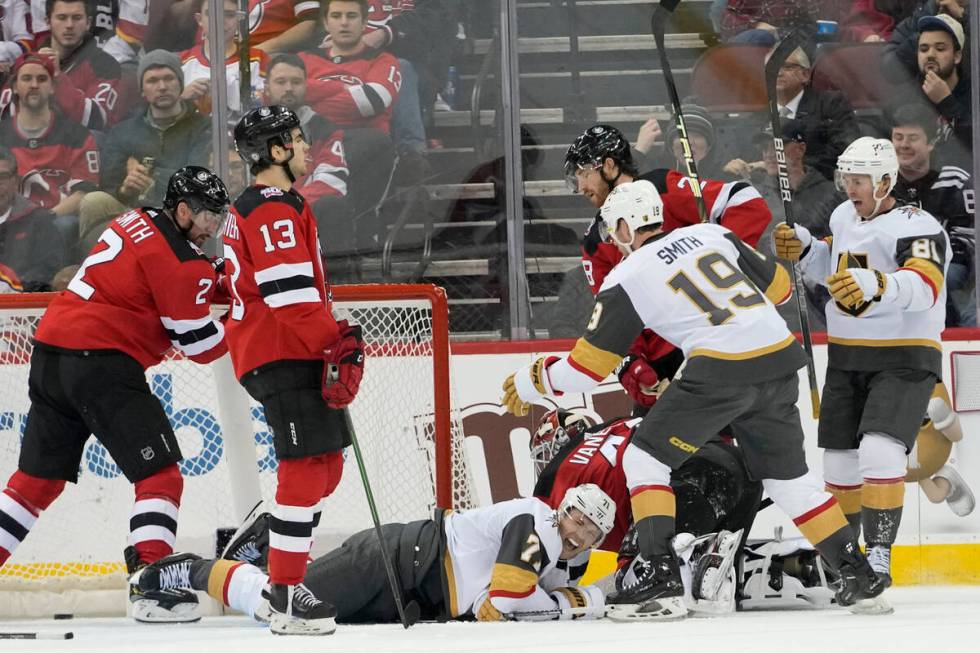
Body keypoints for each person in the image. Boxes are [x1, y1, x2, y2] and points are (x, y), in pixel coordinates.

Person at [502, 180, 888, 621]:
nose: (612, 243)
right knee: (788, 479)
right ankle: (857, 573)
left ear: (626, 227)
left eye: (613, 234)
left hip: (720, 368)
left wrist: (535, 379)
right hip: (778, 360)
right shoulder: (711, 233)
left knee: (644, 459)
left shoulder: (625, 275)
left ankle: (659, 576)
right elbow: (781, 288)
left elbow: (587, 366)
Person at [0, 166, 230, 623]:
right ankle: (151, 585)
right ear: (182, 210)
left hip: (51, 351)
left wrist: (215, 276)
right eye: (206, 216)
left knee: (34, 484)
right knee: (162, 477)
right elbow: (200, 345)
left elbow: (156, 276)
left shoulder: (136, 219)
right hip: (100, 361)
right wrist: (244, 323)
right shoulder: (184, 263)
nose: (211, 227)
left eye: (218, 218)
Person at [774, 136, 949, 588]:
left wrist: (879, 284)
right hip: (848, 356)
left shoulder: (918, 224)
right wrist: (808, 249)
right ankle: (847, 560)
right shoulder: (842, 217)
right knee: (838, 463)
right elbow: (837, 266)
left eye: (860, 180)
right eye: (846, 178)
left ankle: (880, 555)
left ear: (886, 180)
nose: (851, 188)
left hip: (905, 356)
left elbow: (926, 283)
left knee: (880, 450)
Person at [222, 105, 365, 635]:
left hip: (290, 346)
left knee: (327, 469)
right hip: (282, 349)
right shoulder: (273, 207)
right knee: (304, 472)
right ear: (277, 150)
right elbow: (289, 296)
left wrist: (331, 342)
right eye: (300, 141)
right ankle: (282, 592)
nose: (308, 149)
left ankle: (270, 549)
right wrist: (336, 344)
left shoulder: (276, 205)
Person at [132, 484, 615, 625]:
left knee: (301, 613)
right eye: (578, 519)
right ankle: (186, 569)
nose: (578, 534)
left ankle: (257, 556)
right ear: (563, 510)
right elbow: (503, 603)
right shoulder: (538, 520)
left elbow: (515, 601)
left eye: (591, 532)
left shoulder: (559, 558)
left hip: (407, 593)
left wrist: (566, 601)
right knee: (280, 607)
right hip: (393, 560)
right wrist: (578, 603)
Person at [564, 124, 771, 412]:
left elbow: (745, 201)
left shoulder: (662, 187)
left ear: (609, 166)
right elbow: (616, 315)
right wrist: (631, 365)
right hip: (663, 365)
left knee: (729, 450)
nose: (581, 186)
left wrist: (723, 258)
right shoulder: (594, 241)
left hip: (715, 345)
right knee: (646, 454)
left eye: (584, 173)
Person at [84, 49, 211, 257]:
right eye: (152, 81)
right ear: (142, 91)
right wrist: (125, 189)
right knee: (93, 201)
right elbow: (108, 186)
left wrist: (153, 176)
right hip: (132, 212)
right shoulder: (122, 131)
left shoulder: (204, 128)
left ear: (180, 84)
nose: (162, 87)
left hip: (182, 214)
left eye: (169, 78)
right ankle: (95, 275)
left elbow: (197, 181)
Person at [890, 103, 974, 326]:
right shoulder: (882, 182)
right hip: (892, 267)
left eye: (912, 138)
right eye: (898, 137)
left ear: (931, 143)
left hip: (947, 266)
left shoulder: (956, 180)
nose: (903, 145)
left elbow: (969, 243)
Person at [263, 53, 353, 259]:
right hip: (257, 219)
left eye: (296, 82)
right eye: (280, 81)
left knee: (334, 206)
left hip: (303, 217)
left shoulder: (324, 128)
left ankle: (337, 287)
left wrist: (287, 207)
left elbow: (333, 184)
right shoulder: (248, 130)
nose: (288, 88)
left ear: (306, 86)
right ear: (267, 87)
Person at [0, 53, 99, 222]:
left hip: (57, 221)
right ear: (14, 87)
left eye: (42, 79)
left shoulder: (78, 135)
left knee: (66, 225)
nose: (34, 85)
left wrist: (45, 219)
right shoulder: (2, 134)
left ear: (53, 86)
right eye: (26, 78)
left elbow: (85, 193)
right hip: (7, 222)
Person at [769, 46, 861, 182]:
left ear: (805, 75)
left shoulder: (831, 104)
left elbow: (844, 151)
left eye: (787, 67)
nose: (778, 73)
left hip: (817, 189)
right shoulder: (755, 113)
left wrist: (790, 165)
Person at [34, 0, 124, 130]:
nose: (69, 25)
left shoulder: (105, 65)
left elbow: (98, 120)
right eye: (62, 18)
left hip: (79, 146)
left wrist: (58, 79)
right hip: (33, 144)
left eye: (77, 18)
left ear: (88, 23)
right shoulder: (28, 64)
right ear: (48, 22)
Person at [180, 0, 267, 119]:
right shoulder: (181, 62)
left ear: (239, 19)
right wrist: (181, 98)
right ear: (199, 19)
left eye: (229, 15)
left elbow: (274, 106)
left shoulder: (260, 60)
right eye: (212, 13)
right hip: (194, 136)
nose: (220, 21)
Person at [0, 146, 68, 291]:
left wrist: (14, 287)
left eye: (3, 177)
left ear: (16, 181)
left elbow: (48, 271)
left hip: (22, 303)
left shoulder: (39, 220)